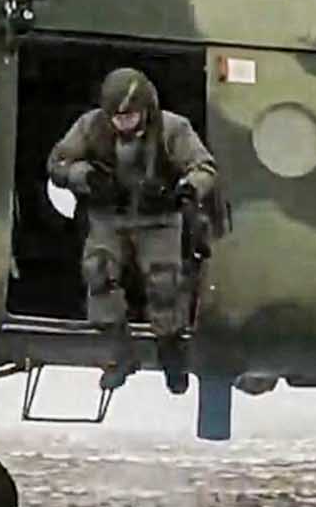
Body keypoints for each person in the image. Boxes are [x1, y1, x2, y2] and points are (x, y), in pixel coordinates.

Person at [47, 67, 216, 394]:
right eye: (117, 117)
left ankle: (170, 347)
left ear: (146, 109)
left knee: (164, 283)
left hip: (159, 218)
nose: (122, 123)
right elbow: (59, 164)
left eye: (130, 116)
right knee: (97, 271)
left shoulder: (173, 129)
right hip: (108, 216)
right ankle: (119, 351)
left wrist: (186, 190)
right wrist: (87, 178)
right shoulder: (90, 126)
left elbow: (204, 167)